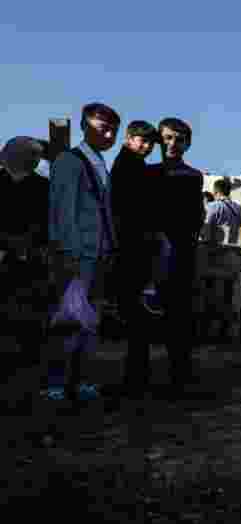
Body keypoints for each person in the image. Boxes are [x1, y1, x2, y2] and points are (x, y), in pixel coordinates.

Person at [47, 102, 121, 406]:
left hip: (99, 253)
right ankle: (57, 383)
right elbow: (63, 211)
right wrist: (70, 254)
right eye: (102, 127)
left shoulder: (100, 162)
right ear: (84, 127)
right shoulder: (69, 160)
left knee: (90, 321)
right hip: (78, 255)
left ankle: (83, 380)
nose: (109, 133)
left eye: (113, 129)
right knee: (69, 321)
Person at [126, 117, 204, 399]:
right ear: (160, 140)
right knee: (141, 319)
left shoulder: (193, 176)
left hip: (181, 253)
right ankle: (137, 379)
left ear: (188, 143)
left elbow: (195, 217)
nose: (173, 143)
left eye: (179, 139)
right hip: (149, 253)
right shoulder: (146, 173)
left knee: (179, 318)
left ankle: (179, 379)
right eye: (168, 137)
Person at [1, 136, 50, 373]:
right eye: (30, 154)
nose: (34, 159)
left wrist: (32, 242)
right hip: (6, 258)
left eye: (36, 155)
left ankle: (30, 358)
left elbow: (50, 224)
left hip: (32, 260)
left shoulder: (43, 187)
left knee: (30, 315)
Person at [109, 120, 164, 323]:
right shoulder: (128, 163)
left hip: (129, 229)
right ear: (129, 139)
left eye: (151, 143)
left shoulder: (132, 161)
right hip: (129, 230)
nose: (148, 147)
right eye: (143, 141)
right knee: (130, 281)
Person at [204, 177, 241, 245]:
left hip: (213, 249)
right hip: (231, 250)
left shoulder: (211, 207)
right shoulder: (239, 208)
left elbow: (205, 227)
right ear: (229, 192)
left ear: (215, 191)